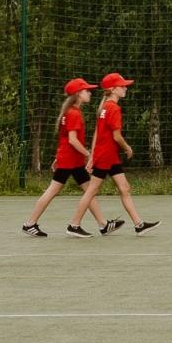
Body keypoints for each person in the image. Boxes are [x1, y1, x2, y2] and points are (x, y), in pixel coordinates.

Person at [22, 78, 119, 238]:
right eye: (86, 90)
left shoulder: (69, 112)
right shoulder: (74, 113)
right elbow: (72, 140)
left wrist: (58, 158)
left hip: (70, 160)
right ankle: (30, 223)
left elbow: (64, 139)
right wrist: (89, 154)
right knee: (53, 191)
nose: (89, 93)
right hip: (70, 161)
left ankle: (103, 224)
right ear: (78, 94)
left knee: (89, 190)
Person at [67, 73, 159, 238]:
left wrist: (93, 155)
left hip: (109, 156)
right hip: (106, 156)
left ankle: (139, 225)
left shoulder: (104, 107)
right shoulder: (113, 108)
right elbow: (116, 137)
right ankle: (74, 225)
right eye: (122, 86)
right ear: (112, 89)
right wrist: (127, 148)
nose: (125, 88)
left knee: (125, 188)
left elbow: (99, 133)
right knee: (91, 191)